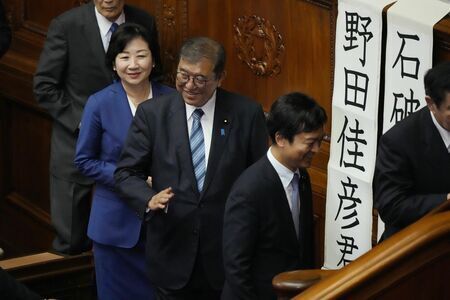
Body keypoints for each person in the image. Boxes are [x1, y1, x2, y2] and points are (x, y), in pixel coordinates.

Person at [114, 36, 268, 299]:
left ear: (220, 77)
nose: (189, 85)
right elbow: (126, 173)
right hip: (171, 252)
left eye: (200, 79)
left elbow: (260, 179)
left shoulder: (247, 113)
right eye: (183, 75)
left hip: (226, 257)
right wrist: (149, 198)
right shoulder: (153, 114)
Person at [33, 0, 161, 255]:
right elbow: (44, 86)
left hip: (131, 149)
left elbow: (155, 78)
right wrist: (86, 122)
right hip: (76, 143)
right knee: (70, 240)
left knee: (131, 238)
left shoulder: (144, 20)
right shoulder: (65, 25)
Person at [74, 23, 172, 300]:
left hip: (165, 228)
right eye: (124, 56)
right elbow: (84, 160)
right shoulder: (99, 103)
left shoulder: (172, 100)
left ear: (153, 59)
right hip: (114, 228)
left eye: (141, 55)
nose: (133, 64)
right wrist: (131, 180)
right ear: (113, 63)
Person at [221, 92, 327, 300]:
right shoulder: (249, 191)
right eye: (310, 142)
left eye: (320, 141)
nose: (317, 149)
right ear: (280, 139)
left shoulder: (302, 176)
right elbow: (236, 268)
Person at [374, 61, 450, 241]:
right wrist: (446, 200)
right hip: (417, 247)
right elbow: (391, 206)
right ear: (431, 103)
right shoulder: (398, 141)